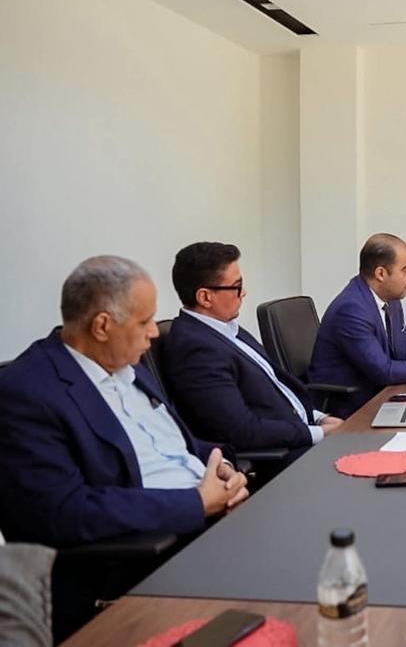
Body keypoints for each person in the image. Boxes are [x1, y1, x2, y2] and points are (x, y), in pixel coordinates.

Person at [0, 256, 249, 640]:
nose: (154, 333)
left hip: (213, 519)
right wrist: (197, 503)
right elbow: (64, 512)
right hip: (148, 554)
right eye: (144, 321)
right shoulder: (27, 393)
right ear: (102, 326)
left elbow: (176, 445)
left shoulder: (125, 365)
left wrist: (219, 465)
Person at [162, 242, 343, 462]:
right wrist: (319, 433)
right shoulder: (196, 350)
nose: (244, 293)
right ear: (205, 297)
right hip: (282, 457)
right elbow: (242, 430)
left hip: (301, 431)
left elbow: (274, 389)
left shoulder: (226, 328)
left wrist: (319, 417)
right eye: (236, 286)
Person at [308, 233, 406, 417]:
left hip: (382, 396)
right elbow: (383, 371)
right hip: (352, 410)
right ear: (381, 274)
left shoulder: (391, 300)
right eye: (405, 270)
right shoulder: (351, 310)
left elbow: (405, 350)